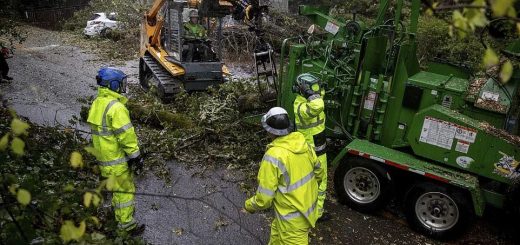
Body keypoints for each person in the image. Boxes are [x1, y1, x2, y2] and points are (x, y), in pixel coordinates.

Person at [244, 107, 325, 244]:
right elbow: (319, 173)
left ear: (269, 131)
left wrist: (249, 205)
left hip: (291, 222)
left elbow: (264, 198)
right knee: (275, 239)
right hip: (305, 212)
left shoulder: (273, 156)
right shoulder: (304, 145)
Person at [87, 67, 144, 235]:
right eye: (120, 83)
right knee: (125, 192)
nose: (122, 87)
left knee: (115, 190)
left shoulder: (98, 102)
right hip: (116, 159)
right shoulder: (116, 107)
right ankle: (126, 226)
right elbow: (126, 136)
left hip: (104, 159)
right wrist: (136, 156)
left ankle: (117, 215)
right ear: (112, 84)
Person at [293, 73, 331, 222]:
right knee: (319, 183)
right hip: (312, 151)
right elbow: (317, 105)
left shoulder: (310, 99)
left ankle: (309, 210)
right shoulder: (300, 106)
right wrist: (312, 93)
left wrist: (315, 90)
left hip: (316, 148)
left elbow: (319, 97)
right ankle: (316, 214)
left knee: (311, 182)